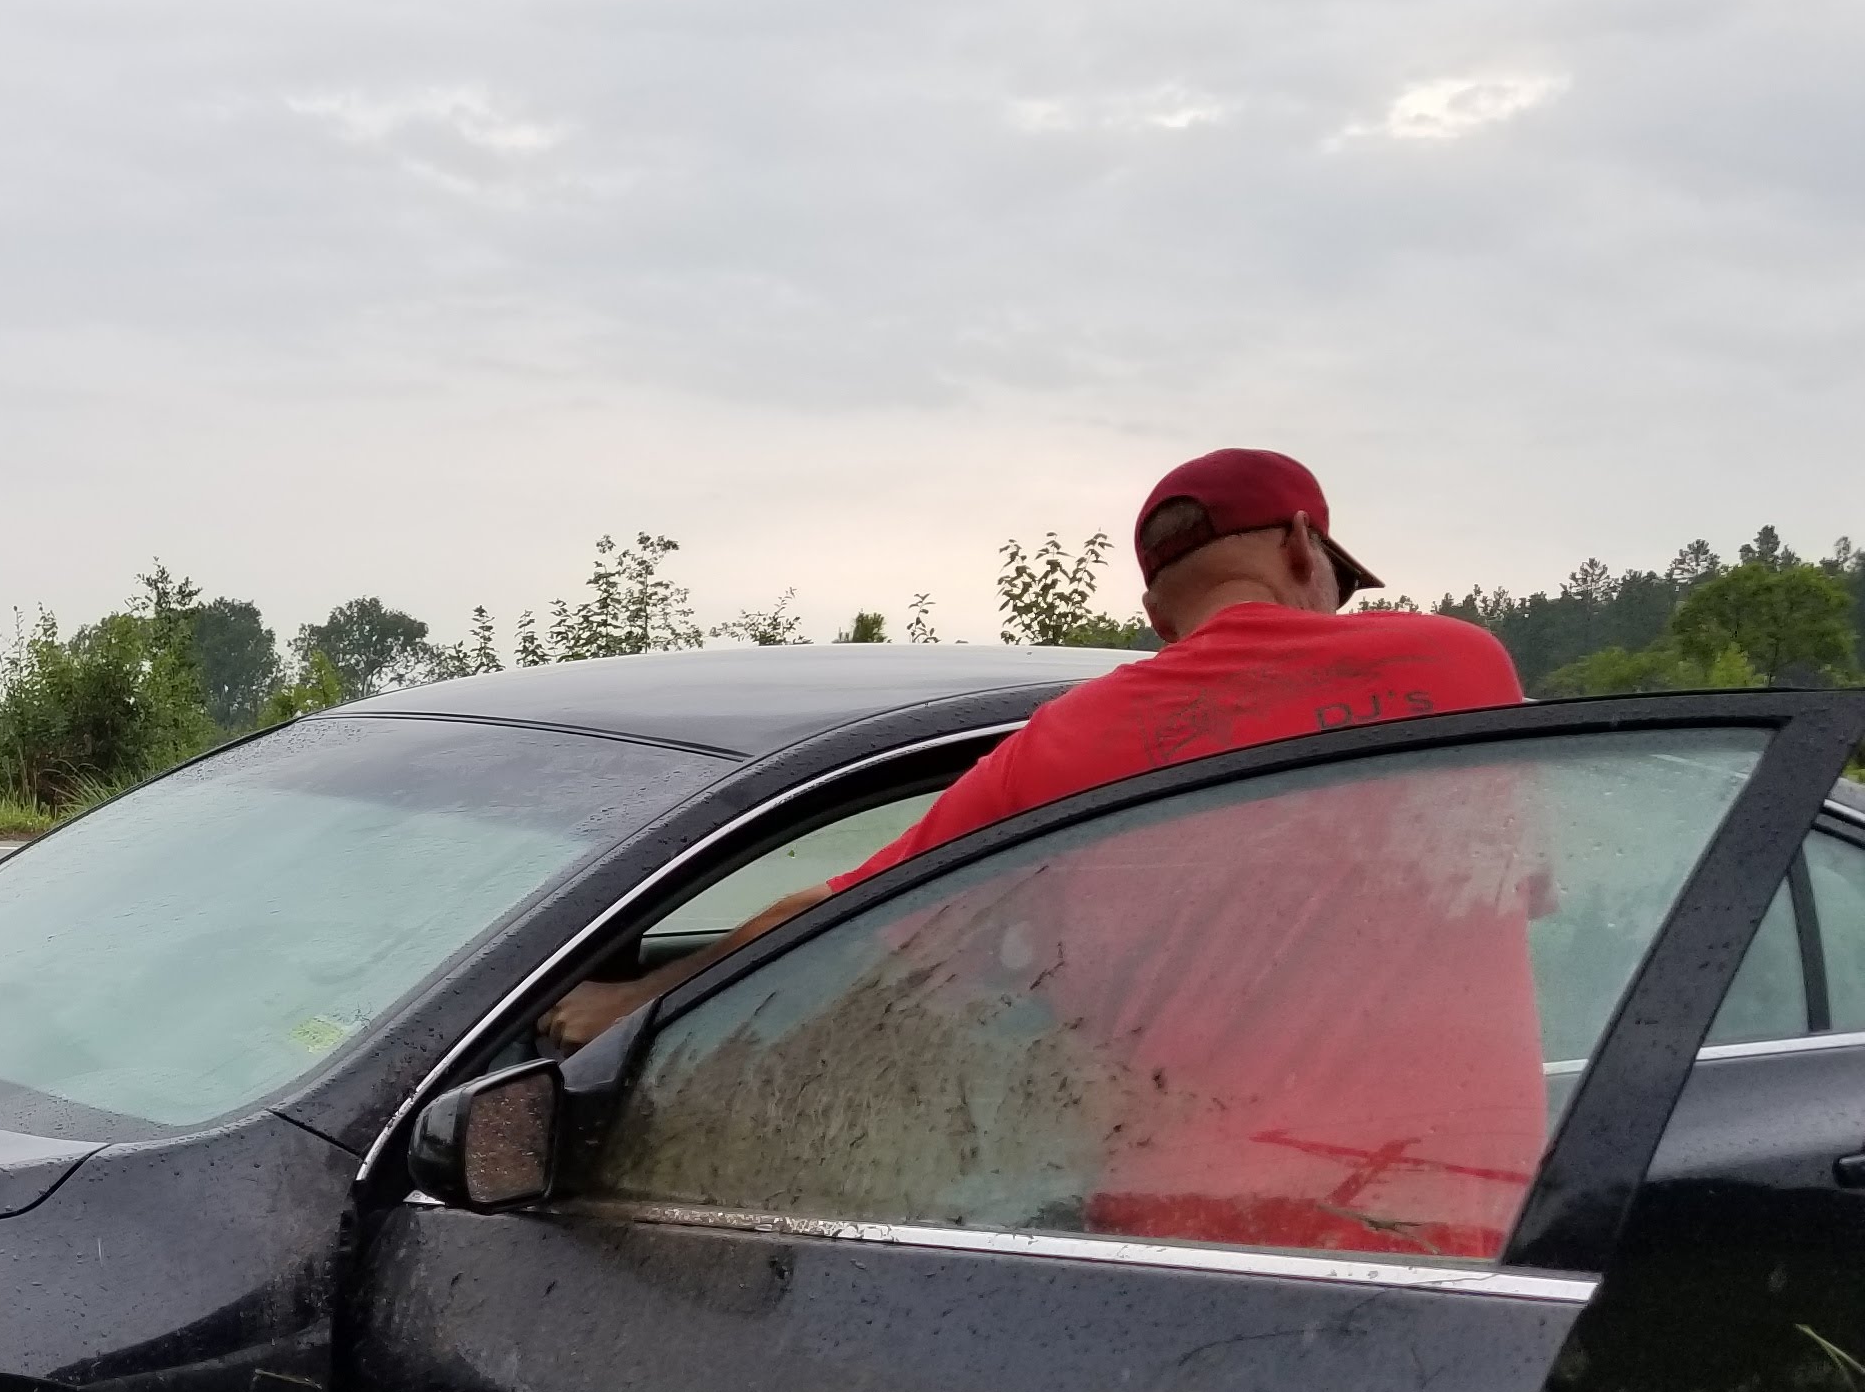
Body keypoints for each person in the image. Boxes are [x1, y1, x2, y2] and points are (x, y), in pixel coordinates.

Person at [541, 447, 1522, 1047]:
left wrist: (631, 1001)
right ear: (1306, 546)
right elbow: (1516, 892)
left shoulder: (1062, 742)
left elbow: (838, 924)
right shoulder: (1461, 670)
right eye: (1338, 583)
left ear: (1151, 612)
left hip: (1164, 1233)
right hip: (1455, 1233)